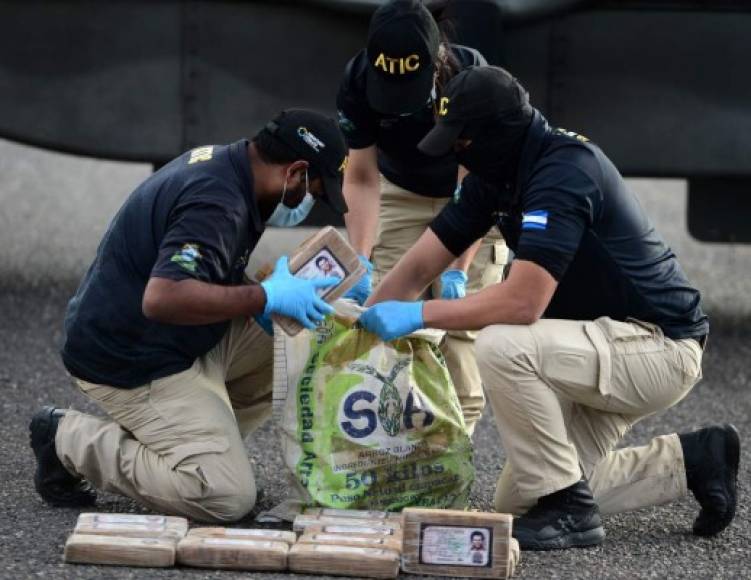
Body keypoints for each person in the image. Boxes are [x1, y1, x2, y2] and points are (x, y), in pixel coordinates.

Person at [359, 66, 739, 549]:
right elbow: (415, 269)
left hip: (658, 346)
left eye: (463, 141)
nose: (456, 152)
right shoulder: (496, 174)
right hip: (595, 346)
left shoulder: (563, 171)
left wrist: (417, 316)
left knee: (501, 344)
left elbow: (522, 302)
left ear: (498, 134)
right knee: (520, 503)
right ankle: (694, 460)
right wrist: (358, 324)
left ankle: (572, 514)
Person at [29, 109, 349, 522]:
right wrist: (263, 296)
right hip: (133, 359)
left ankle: (184, 441)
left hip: (184, 338)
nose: (310, 203)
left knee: (303, 333)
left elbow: (206, 269)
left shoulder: (231, 165)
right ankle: (67, 441)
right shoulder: (217, 203)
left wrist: (272, 295)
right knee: (226, 496)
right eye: (315, 190)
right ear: (296, 172)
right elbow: (162, 299)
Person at [337, 0, 507, 434]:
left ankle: (452, 458)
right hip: (402, 192)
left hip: (471, 192)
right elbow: (360, 177)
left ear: (436, 64)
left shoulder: (470, 77)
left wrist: (457, 269)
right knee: (381, 317)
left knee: (462, 336)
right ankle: (384, 448)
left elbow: (476, 184)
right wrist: (360, 257)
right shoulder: (357, 79)